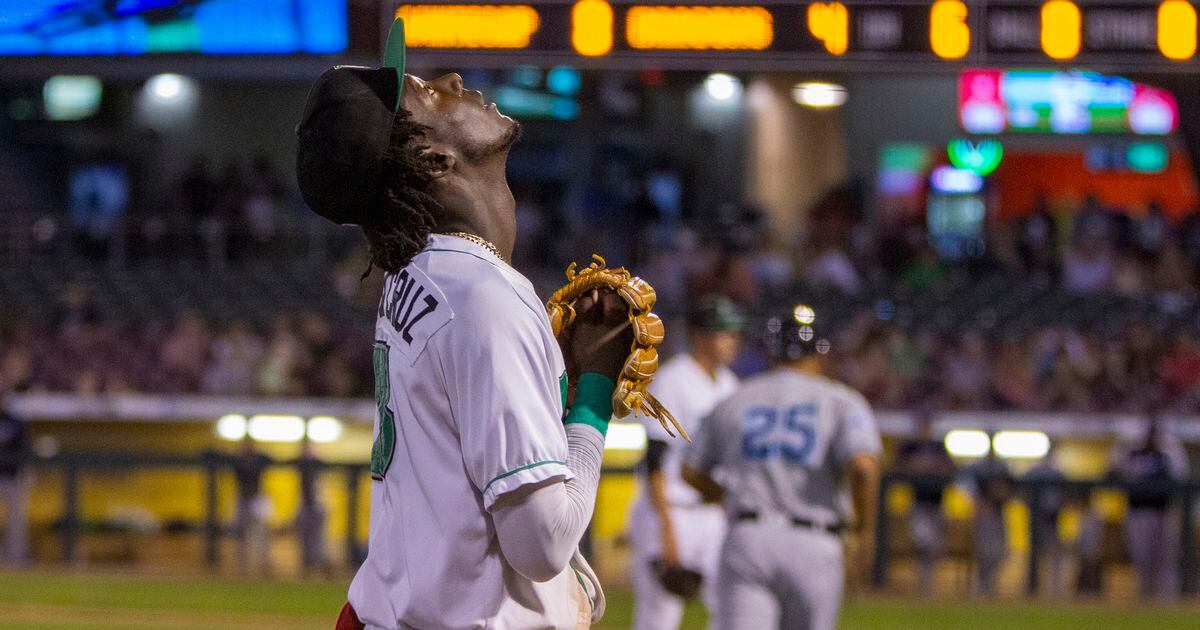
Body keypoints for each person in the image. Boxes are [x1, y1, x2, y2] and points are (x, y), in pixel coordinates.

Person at [298, 20, 628, 629]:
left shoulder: (414, 273)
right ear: (433, 158)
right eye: (428, 94)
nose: (451, 81)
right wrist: (592, 396)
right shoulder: (481, 298)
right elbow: (542, 544)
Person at [682, 312, 881, 630]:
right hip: (814, 538)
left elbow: (690, 470)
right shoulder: (841, 401)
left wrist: (729, 496)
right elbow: (863, 468)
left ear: (771, 350)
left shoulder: (736, 398)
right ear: (821, 351)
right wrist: (865, 531)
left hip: (748, 536)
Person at [628, 297, 743, 630]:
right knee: (659, 616)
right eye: (723, 332)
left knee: (729, 608)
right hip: (671, 510)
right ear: (698, 335)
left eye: (733, 333)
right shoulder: (672, 380)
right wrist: (666, 529)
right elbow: (655, 456)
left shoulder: (729, 384)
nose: (731, 340)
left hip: (712, 515)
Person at [1111, 413, 1188, 600]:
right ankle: (1144, 594)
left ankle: (1167, 598)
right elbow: (1114, 468)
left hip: (1163, 510)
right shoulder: (1132, 452)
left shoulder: (1168, 452)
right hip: (1138, 510)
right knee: (1141, 555)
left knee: (1165, 557)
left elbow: (1181, 476)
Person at [894, 411, 956, 594]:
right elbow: (897, 468)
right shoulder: (910, 446)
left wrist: (933, 466)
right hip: (918, 501)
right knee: (920, 542)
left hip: (937, 502)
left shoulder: (938, 446)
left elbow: (951, 468)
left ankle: (929, 584)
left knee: (934, 546)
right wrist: (916, 465)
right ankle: (922, 583)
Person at [962, 440, 1013, 598]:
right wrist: (977, 503)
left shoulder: (1002, 468)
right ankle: (982, 588)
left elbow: (1012, 488)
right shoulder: (977, 468)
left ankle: (988, 586)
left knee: (1002, 552)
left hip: (999, 516)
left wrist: (1003, 496)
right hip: (983, 516)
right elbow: (962, 482)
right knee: (983, 553)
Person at [1024, 443, 1067, 599]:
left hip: (1052, 520)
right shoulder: (1035, 472)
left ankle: (1053, 590)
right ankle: (1032, 588)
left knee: (1053, 555)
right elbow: (1025, 495)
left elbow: (1065, 497)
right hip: (1036, 519)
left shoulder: (1057, 473)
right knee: (1035, 556)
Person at [232, 438, 272, 577]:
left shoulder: (259, 459)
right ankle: (242, 566)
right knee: (241, 533)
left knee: (261, 533)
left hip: (256, 498)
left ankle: (264, 564)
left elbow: (269, 459)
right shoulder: (238, 462)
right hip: (243, 498)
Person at [0, 384, 29, 567]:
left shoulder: (15, 421)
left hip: (12, 477)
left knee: (15, 521)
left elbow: (24, 449)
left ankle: (16, 557)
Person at [296, 439, 331, 577]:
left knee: (319, 539)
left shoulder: (318, 464)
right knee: (304, 539)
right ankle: (307, 566)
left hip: (317, 505)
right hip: (305, 505)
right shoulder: (300, 463)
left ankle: (318, 567)